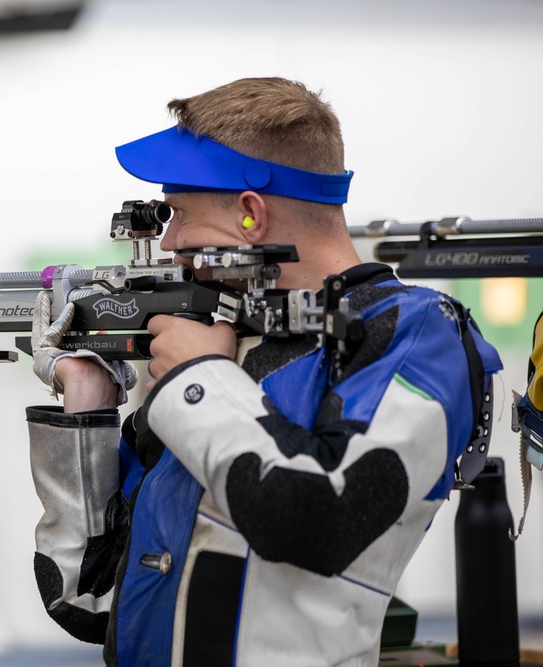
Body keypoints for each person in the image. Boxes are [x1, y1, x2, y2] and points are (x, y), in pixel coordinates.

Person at [25, 77, 503, 666]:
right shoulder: (229, 340)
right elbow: (90, 598)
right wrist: (87, 404)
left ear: (251, 215)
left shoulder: (417, 335)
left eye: (177, 213)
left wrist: (199, 376)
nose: (170, 241)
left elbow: (319, 522)